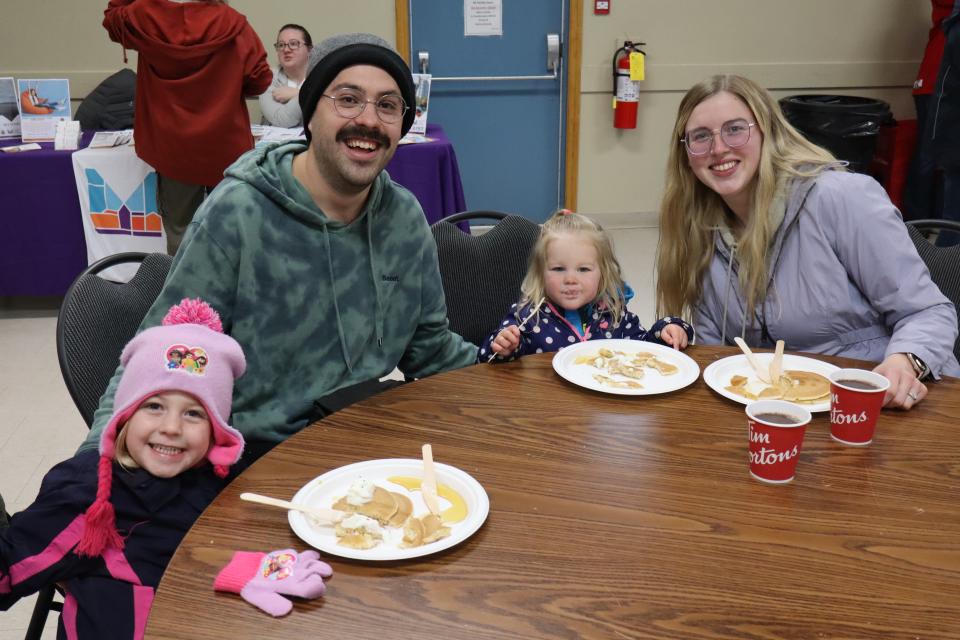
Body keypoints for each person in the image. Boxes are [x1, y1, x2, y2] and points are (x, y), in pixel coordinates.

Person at [80, 33, 477, 460]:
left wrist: (519, 364)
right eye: (348, 99)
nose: (369, 120)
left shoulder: (403, 218)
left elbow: (429, 348)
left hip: (365, 441)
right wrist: (89, 468)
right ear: (309, 113)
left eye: (387, 105)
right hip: (255, 458)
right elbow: (164, 354)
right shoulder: (239, 213)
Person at [655, 74, 960, 411]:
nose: (719, 148)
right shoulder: (700, 233)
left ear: (767, 131)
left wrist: (904, 363)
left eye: (735, 129)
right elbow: (721, 358)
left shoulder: (841, 197)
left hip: (885, 403)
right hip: (790, 414)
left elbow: (929, 312)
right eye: (700, 137)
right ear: (685, 154)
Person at [0, 298, 275, 638]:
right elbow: (9, 571)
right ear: (125, 416)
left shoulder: (222, 478)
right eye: (155, 406)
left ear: (216, 428)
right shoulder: (89, 496)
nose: (172, 427)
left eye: (194, 413)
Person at [103, 0, 273, 255]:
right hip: (225, 145)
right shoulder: (233, 23)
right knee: (231, 230)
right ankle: (226, 293)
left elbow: (112, 17)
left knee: (179, 231)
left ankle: (185, 293)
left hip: (173, 149)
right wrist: (225, 87)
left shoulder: (144, 16)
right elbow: (260, 80)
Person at [480, 210, 692, 361]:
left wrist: (667, 329)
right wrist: (503, 347)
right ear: (540, 273)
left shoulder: (614, 315)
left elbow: (644, 349)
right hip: (546, 413)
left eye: (583, 269)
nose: (571, 279)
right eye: (558, 269)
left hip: (602, 413)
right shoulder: (526, 316)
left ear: (603, 272)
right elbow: (488, 363)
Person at [259, 24, 314, 128]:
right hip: (277, 143)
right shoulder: (267, 78)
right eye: (281, 45)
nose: (286, 50)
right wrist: (311, 96)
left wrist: (298, 93)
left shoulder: (321, 76)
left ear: (309, 49)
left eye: (293, 44)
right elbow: (282, 120)